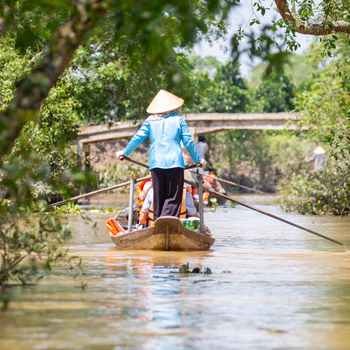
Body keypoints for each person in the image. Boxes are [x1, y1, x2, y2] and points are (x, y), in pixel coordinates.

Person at [116, 89, 206, 221]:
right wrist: (198, 160)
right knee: (173, 198)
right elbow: (188, 142)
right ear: (173, 107)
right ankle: (167, 222)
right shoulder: (179, 120)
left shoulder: (150, 121)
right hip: (175, 163)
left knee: (158, 197)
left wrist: (125, 152)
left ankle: (158, 222)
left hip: (156, 163)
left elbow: (137, 138)